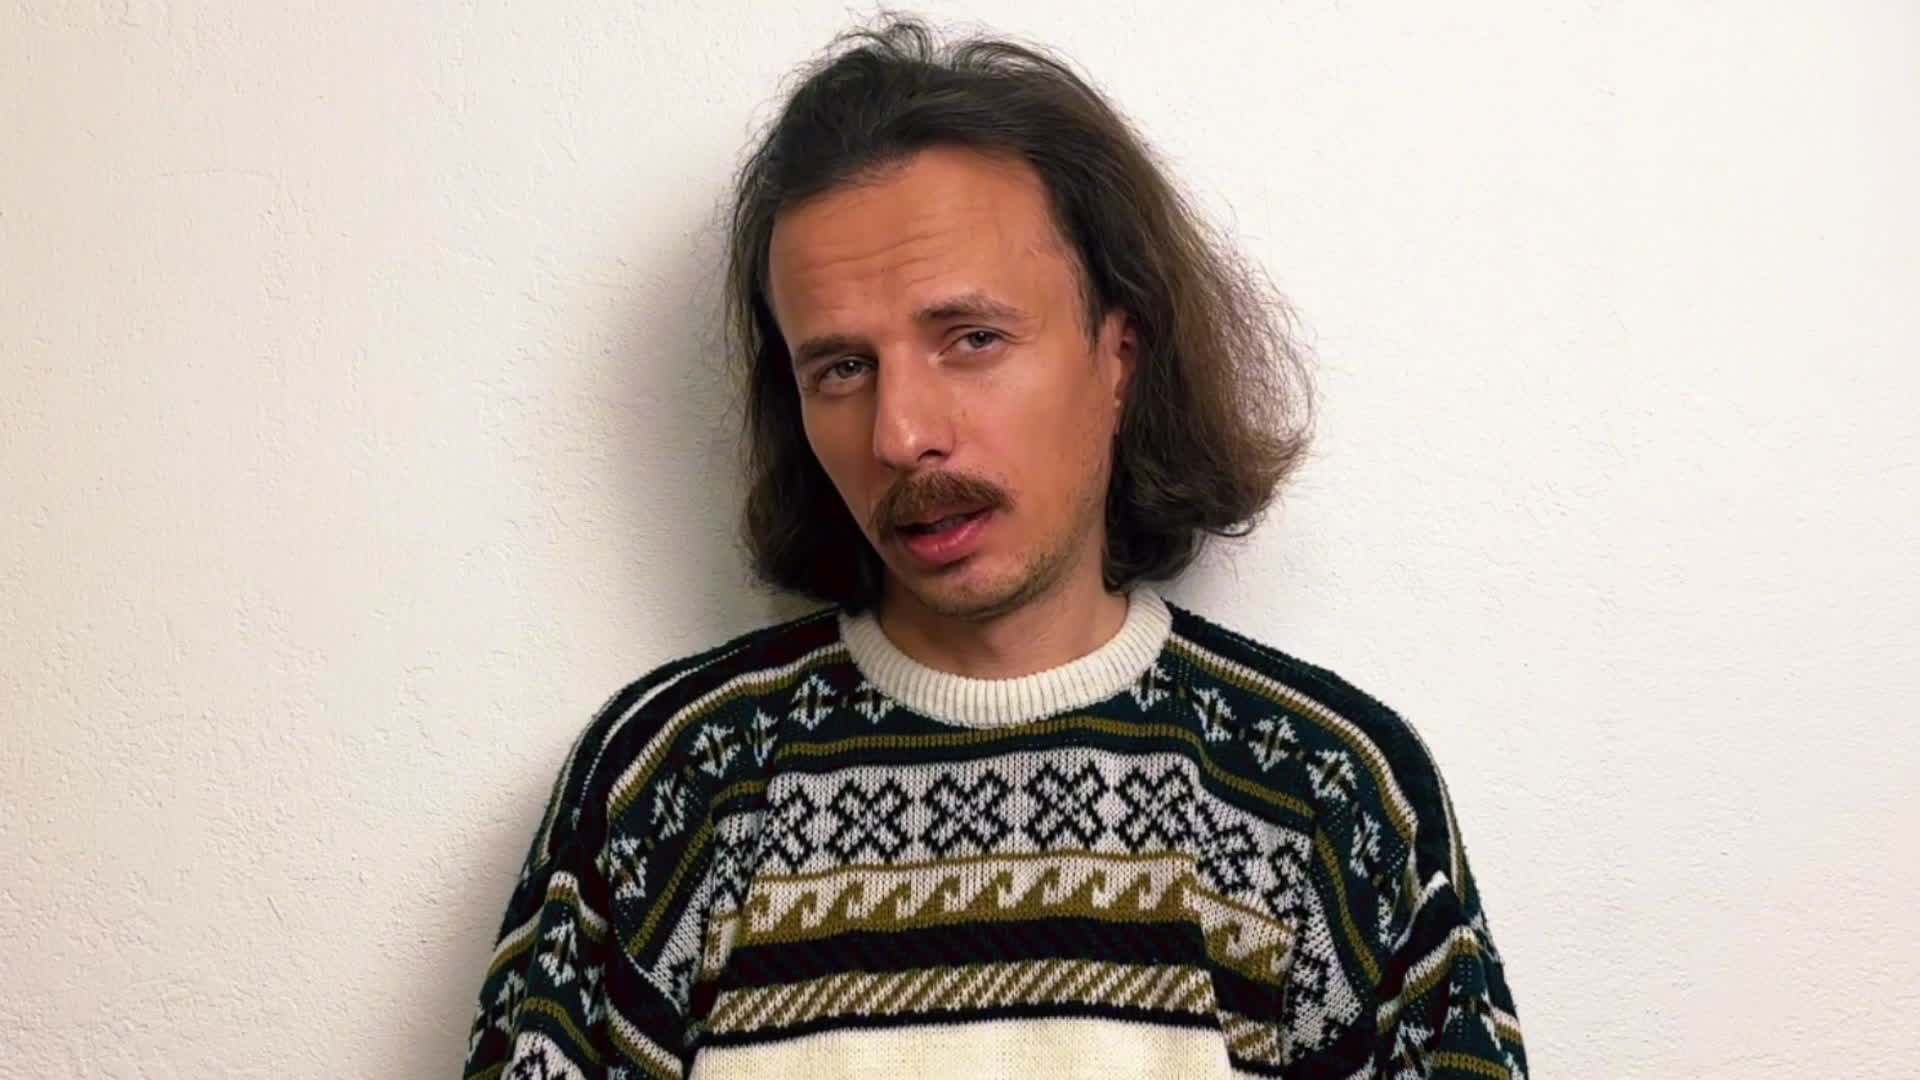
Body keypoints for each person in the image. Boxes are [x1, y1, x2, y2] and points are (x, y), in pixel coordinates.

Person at [462, 16, 1525, 1080]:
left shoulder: (1324, 797)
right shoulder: (668, 790)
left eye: (971, 339)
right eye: (841, 368)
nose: (899, 433)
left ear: (1119, 356)